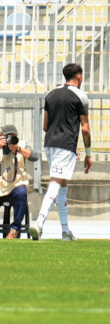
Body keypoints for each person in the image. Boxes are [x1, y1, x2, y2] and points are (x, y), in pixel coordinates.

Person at [29, 64, 92, 241]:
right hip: (65, 145)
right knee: (56, 182)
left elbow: (45, 126)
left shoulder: (51, 94)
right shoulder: (81, 96)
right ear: (79, 76)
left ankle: (65, 231)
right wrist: (88, 153)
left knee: (62, 186)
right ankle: (39, 223)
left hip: (50, 144)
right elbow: (85, 129)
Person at [0, 125, 40, 239]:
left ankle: (15, 229)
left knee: (22, 193)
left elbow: (35, 156)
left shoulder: (22, 144)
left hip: (16, 185)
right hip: (1, 186)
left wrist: (18, 149)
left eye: (14, 136)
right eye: (9, 136)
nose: (11, 139)